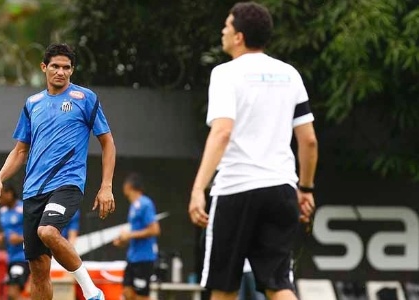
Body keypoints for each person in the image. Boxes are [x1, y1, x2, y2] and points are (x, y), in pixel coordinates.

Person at [188, 2, 318, 300]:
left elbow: (222, 131)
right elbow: (308, 140)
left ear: (239, 37)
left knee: (223, 287)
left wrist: (198, 187)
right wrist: (306, 188)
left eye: (227, 26)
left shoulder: (225, 74)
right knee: (279, 285)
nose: (223, 30)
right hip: (282, 190)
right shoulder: (290, 74)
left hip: (236, 189)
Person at [0, 43, 116, 300]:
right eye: (55, 66)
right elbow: (20, 150)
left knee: (47, 231)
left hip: (67, 184)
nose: (61, 72)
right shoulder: (32, 103)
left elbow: (107, 143)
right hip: (33, 190)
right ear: (44, 68)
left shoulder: (85, 99)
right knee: (38, 269)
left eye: (66, 67)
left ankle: (92, 292)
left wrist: (106, 186)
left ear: (72, 70)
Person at [113, 173, 160, 300]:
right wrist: (123, 240)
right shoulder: (133, 206)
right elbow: (135, 233)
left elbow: (155, 229)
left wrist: (130, 235)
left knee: (142, 296)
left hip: (144, 258)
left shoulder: (145, 203)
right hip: (132, 258)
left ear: (128, 186)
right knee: (127, 292)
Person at [0, 183, 29, 300]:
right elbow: (9, 231)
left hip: (23, 258)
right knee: (11, 296)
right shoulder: (3, 212)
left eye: (1, 195)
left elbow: (36, 231)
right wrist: (1, 236)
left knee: (12, 294)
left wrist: (20, 238)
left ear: (9, 194)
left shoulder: (24, 209)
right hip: (11, 259)